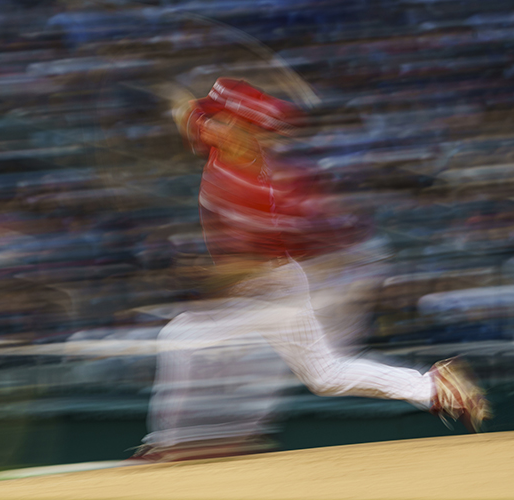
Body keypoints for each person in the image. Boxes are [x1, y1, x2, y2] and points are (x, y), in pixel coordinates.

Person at [134, 78, 490, 462]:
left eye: (224, 120)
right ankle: (433, 387)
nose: (213, 126)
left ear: (245, 128)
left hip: (274, 286)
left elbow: (246, 267)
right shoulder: (223, 140)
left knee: (184, 337)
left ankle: (181, 441)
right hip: (261, 285)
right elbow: (186, 111)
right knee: (323, 374)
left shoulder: (262, 192)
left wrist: (202, 276)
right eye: (214, 119)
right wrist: (173, 97)